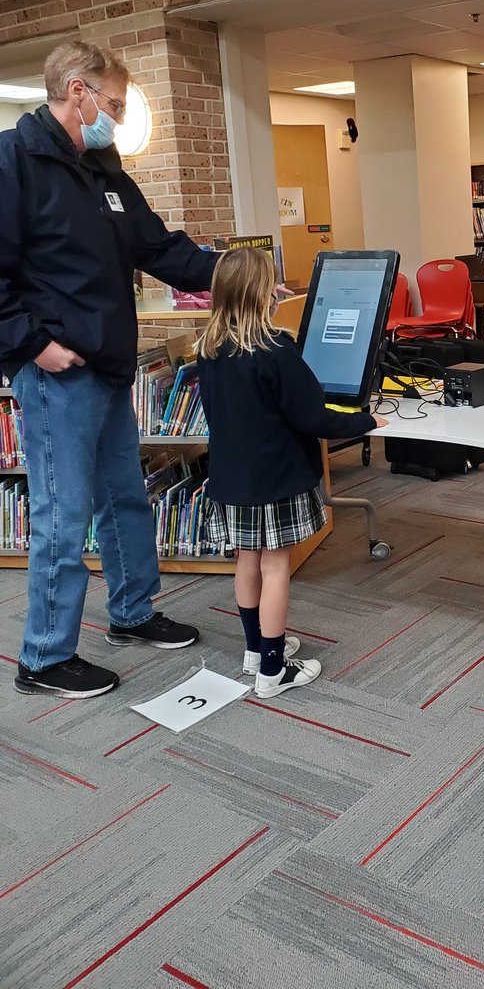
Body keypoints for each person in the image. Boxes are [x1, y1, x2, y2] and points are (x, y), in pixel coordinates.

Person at [0, 40, 220, 698]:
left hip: (109, 367)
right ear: (78, 91)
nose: (118, 118)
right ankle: (44, 658)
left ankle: (131, 613)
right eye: (115, 104)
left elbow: (159, 248)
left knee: (124, 496)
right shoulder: (14, 160)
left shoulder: (103, 170)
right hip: (57, 375)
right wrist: (34, 346)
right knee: (64, 515)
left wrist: (233, 272)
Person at [197, 247, 385, 698]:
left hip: (232, 478)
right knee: (276, 566)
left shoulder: (209, 349)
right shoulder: (276, 349)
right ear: (263, 294)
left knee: (247, 561)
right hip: (275, 479)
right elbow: (313, 418)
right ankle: (273, 671)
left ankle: (256, 650)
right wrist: (366, 422)